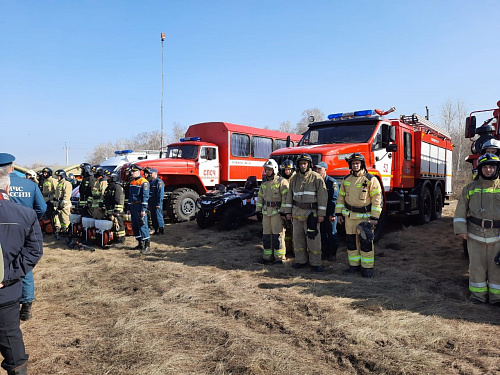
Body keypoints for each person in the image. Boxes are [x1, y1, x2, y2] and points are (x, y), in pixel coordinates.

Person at [0, 154, 44, 375]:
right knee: (11, 338)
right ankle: (26, 308)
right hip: (7, 288)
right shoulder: (28, 193)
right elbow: (35, 250)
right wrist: (7, 276)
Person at [3, 156, 46, 322]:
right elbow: (41, 208)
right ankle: (26, 306)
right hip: (25, 229)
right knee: (24, 265)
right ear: (12, 167)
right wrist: (31, 221)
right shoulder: (29, 184)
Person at [454, 153, 500, 305]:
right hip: (475, 235)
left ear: (496, 169)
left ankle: (497, 298)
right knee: (476, 267)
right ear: (479, 169)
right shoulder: (470, 188)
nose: (488, 170)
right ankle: (478, 297)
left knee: (497, 268)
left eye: (491, 167)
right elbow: (461, 210)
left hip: (497, 236)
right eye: (485, 167)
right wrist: (461, 229)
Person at [335, 153, 382, 278]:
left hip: (364, 218)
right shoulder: (346, 179)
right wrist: (338, 213)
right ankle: (354, 265)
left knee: (366, 243)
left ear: (362, 164)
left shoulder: (371, 179)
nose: (355, 165)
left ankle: (367, 268)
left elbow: (377, 199)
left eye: (357, 163)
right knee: (351, 243)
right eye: (353, 163)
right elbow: (340, 198)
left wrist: (374, 217)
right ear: (350, 165)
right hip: (349, 217)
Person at [284, 153, 328, 272]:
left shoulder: (316, 178)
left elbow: (322, 198)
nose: (303, 166)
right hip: (296, 214)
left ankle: (316, 263)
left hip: (311, 215)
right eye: (301, 164)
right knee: (298, 240)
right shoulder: (294, 179)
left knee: (313, 240)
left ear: (309, 164)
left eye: (305, 163)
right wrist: (288, 212)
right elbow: (289, 196)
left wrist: (321, 214)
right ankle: (300, 261)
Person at [256, 159, 289, 264]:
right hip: (266, 213)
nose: (267, 172)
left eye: (269, 169)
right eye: (266, 170)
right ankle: (267, 257)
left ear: (274, 169)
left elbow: (286, 198)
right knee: (266, 235)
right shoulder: (264, 183)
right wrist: (258, 210)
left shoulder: (282, 181)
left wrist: (284, 212)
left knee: (278, 235)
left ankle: (279, 257)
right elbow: (260, 198)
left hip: (277, 213)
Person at [314, 161, 339, 262]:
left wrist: (332, 214)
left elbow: (334, 199)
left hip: (329, 213)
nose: (317, 171)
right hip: (321, 213)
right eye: (316, 169)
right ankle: (324, 253)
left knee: (332, 233)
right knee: (322, 233)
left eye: (320, 169)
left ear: (325, 170)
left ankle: (332, 254)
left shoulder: (332, 182)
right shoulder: (316, 182)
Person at [128, 164, 150, 254]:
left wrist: (143, 209)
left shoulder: (143, 182)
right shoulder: (132, 182)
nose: (132, 173)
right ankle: (140, 243)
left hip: (139, 206)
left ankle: (147, 245)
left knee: (142, 225)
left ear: (138, 172)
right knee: (135, 225)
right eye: (131, 171)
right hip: (133, 207)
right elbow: (130, 196)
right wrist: (129, 208)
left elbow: (145, 196)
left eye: (133, 171)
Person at [103, 173, 126, 244]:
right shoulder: (109, 187)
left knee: (118, 225)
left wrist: (117, 211)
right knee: (113, 226)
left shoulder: (117, 187)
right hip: (110, 210)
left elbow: (119, 199)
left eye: (108, 177)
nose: (107, 178)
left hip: (116, 211)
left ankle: (121, 240)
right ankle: (115, 239)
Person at [280, 159, 295, 258]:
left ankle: (295, 250)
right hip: (286, 209)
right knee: (287, 231)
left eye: (289, 170)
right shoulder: (282, 180)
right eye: (285, 170)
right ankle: (288, 249)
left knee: (295, 232)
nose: (287, 172)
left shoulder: (296, 179)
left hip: (295, 209)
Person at [52, 170, 73, 239]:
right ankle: (62, 232)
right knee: (60, 220)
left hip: (65, 206)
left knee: (65, 220)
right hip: (59, 205)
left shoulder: (67, 184)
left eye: (59, 176)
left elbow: (67, 196)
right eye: (57, 176)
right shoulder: (59, 183)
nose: (57, 177)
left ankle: (67, 233)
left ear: (62, 176)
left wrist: (62, 205)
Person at [144, 168, 165, 235]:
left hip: (156, 202)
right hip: (151, 202)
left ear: (155, 173)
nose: (150, 174)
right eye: (150, 173)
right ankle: (156, 230)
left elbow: (160, 193)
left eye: (151, 173)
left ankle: (161, 230)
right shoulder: (150, 182)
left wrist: (159, 203)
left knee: (158, 216)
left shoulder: (159, 182)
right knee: (153, 216)